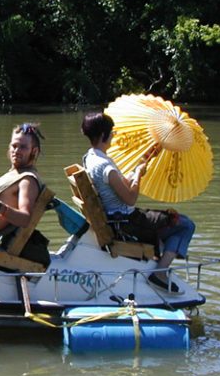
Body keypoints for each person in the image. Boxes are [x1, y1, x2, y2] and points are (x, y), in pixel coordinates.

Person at [80, 112, 195, 294]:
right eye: (112, 133)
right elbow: (131, 198)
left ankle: (157, 259)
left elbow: (119, 185)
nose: (113, 136)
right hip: (126, 222)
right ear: (104, 135)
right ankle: (159, 273)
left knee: (169, 220)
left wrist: (138, 168)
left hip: (116, 217)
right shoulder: (105, 166)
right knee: (186, 225)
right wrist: (139, 176)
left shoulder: (90, 158)